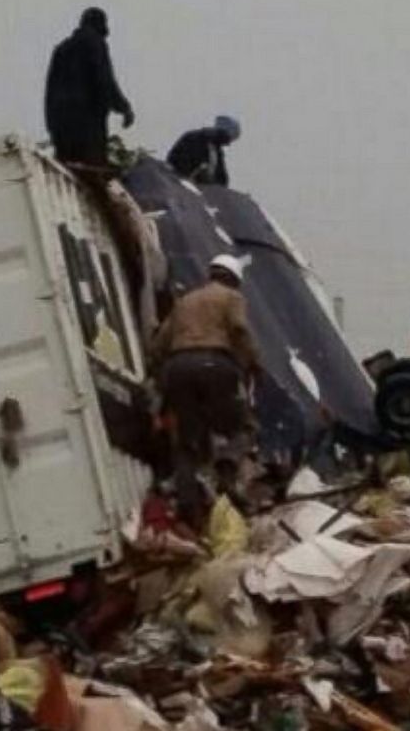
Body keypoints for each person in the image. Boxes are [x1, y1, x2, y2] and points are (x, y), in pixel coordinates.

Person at [151, 254, 259, 528]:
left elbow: (158, 344)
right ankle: (227, 466)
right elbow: (239, 329)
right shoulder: (231, 297)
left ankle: (190, 513)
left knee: (187, 443)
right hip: (215, 364)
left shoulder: (184, 302)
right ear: (234, 279)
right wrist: (253, 363)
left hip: (176, 368)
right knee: (242, 427)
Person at [44, 7, 135, 166]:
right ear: (100, 24)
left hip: (61, 126)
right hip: (87, 125)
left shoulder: (61, 49)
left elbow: (49, 93)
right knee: (92, 170)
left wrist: (51, 126)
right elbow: (105, 80)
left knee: (68, 169)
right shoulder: (95, 43)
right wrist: (125, 108)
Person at [166, 115, 241, 186]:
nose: (228, 143)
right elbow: (180, 162)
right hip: (180, 183)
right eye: (228, 139)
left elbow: (222, 177)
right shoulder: (194, 139)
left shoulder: (216, 150)